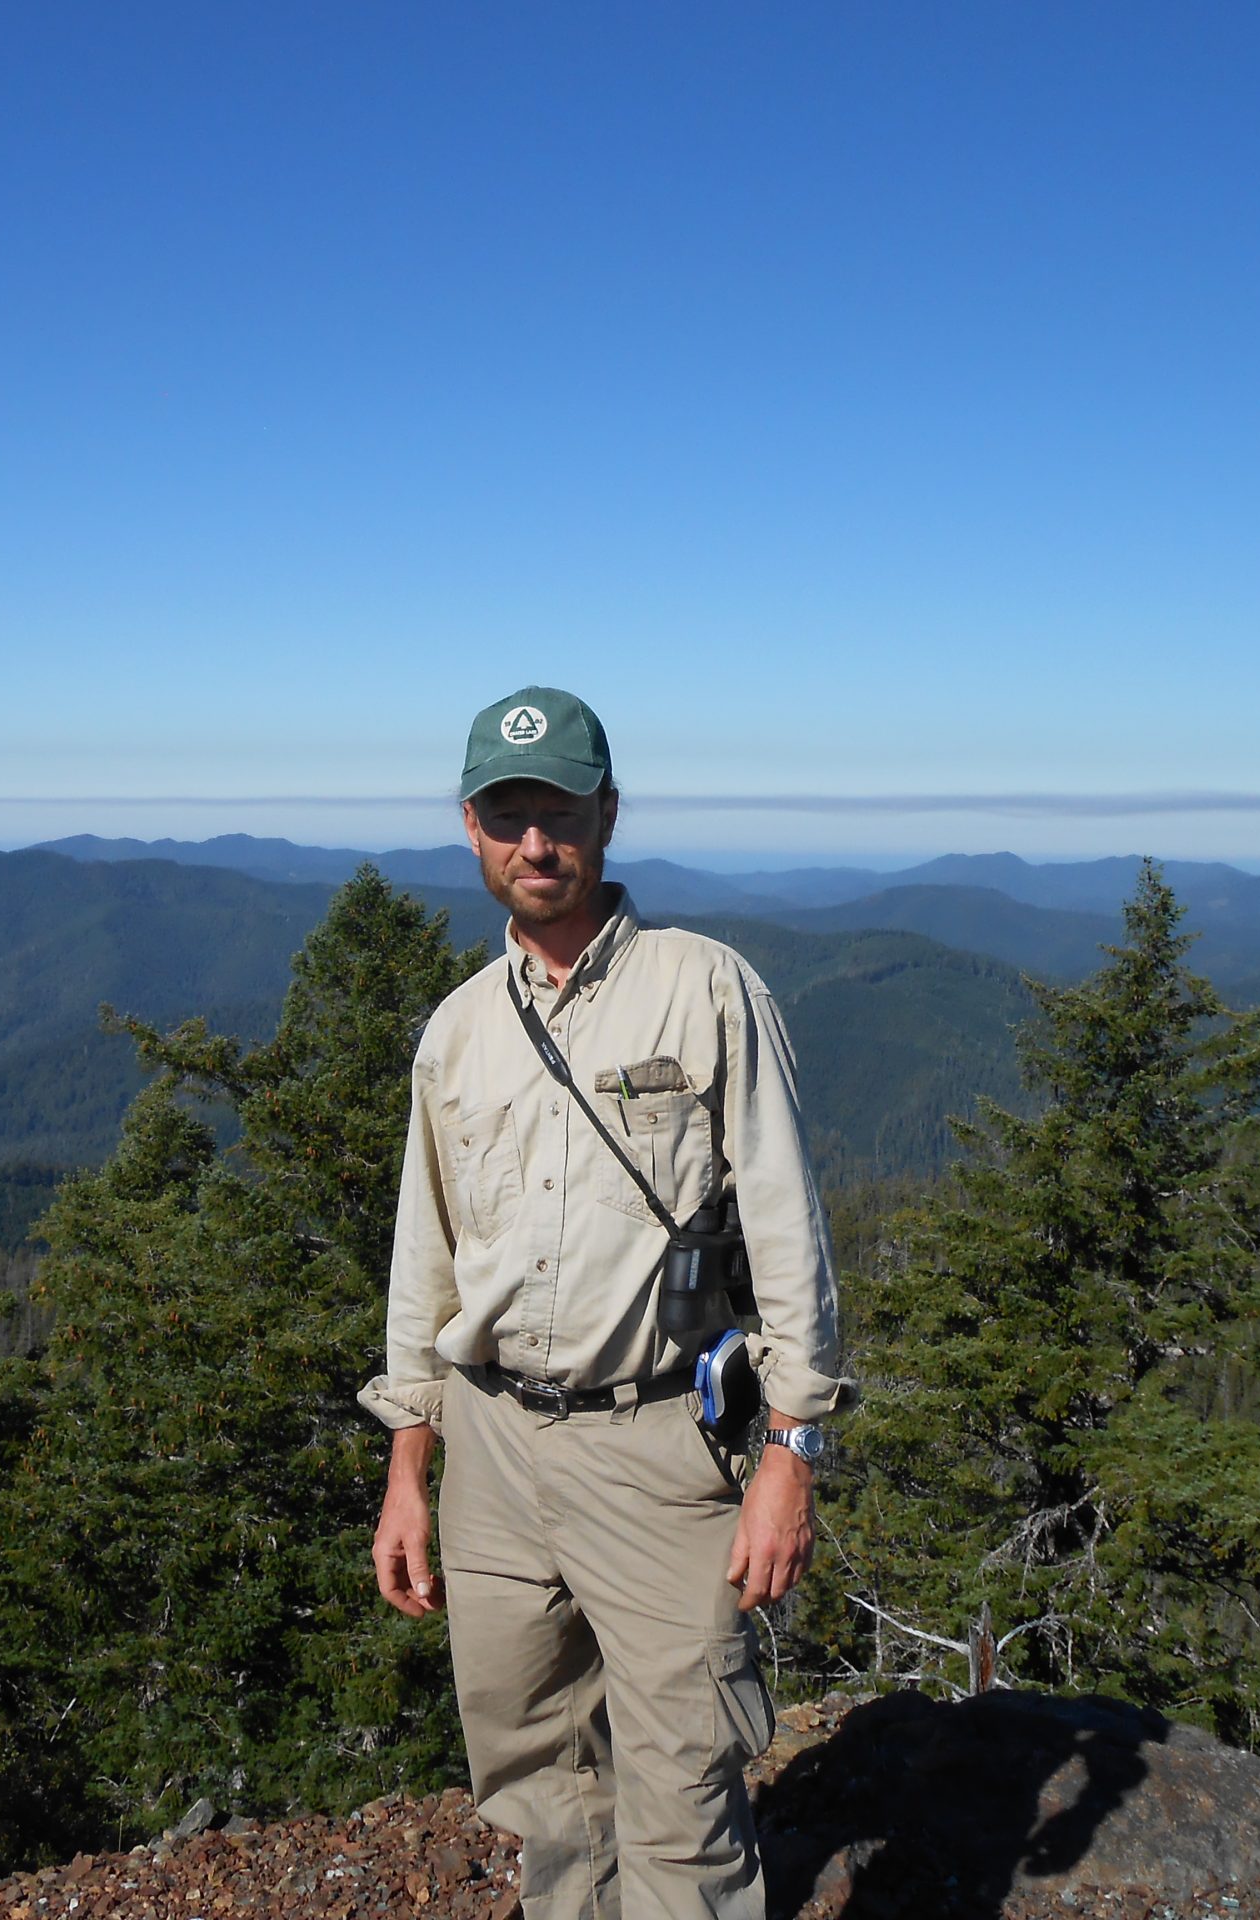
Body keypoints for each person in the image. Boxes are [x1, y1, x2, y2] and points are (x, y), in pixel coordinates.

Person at [360, 685, 853, 1920]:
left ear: (608, 814)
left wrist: (790, 1449)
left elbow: (790, 1229)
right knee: (542, 1776)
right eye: (508, 815)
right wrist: (406, 1466)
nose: (536, 843)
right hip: (486, 1445)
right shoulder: (456, 1034)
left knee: (683, 1782)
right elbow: (426, 1259)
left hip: (652, 1443)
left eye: (560, 812)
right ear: (469, 827)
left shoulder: (706, 989)